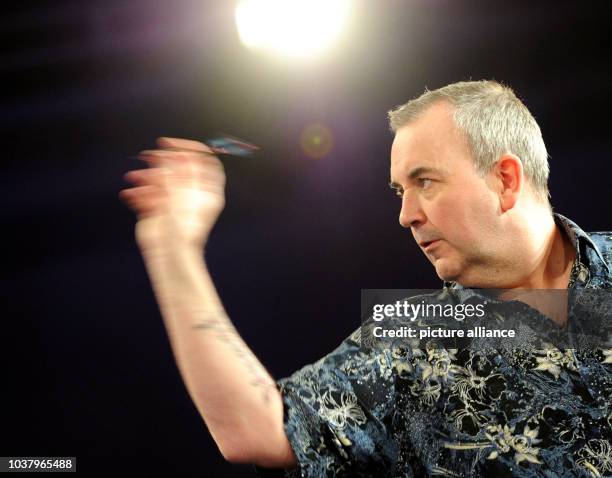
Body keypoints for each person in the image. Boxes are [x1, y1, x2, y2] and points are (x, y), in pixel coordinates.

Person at [120, 80, 612, 477]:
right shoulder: (413, 342)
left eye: (424, 182)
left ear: (505, 179)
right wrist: (173, 248)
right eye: (399, 190)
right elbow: (259, 428)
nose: (405, 215)